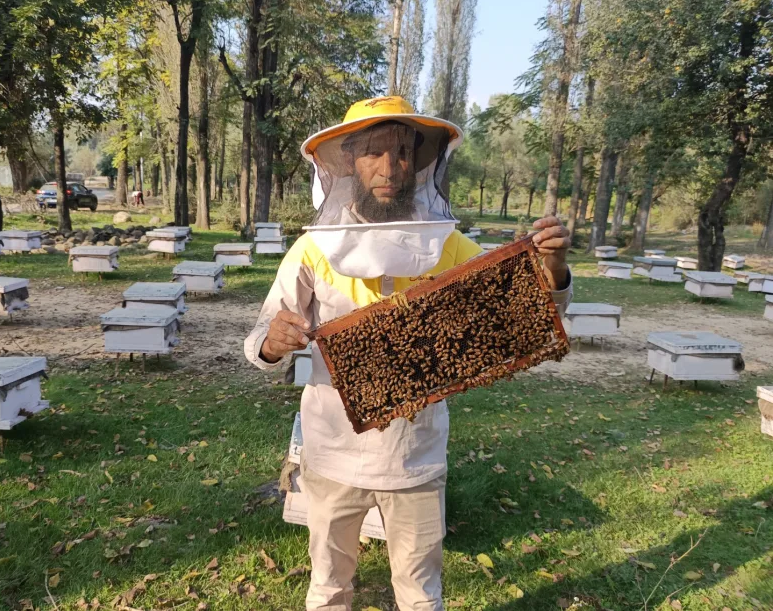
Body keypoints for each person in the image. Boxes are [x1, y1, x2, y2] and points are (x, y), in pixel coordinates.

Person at [244, 96, 572, 611]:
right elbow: (263, 334)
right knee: (328, 588)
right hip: (331, 449)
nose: (389, 168)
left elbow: (517, 304)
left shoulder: (447, 243)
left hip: (415, 455)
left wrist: (551, 268)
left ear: (420, 162)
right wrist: (272, 341)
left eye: (401, 152)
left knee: (420, 595)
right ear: (349, 161)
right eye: (373, 153)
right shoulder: (313, 248)